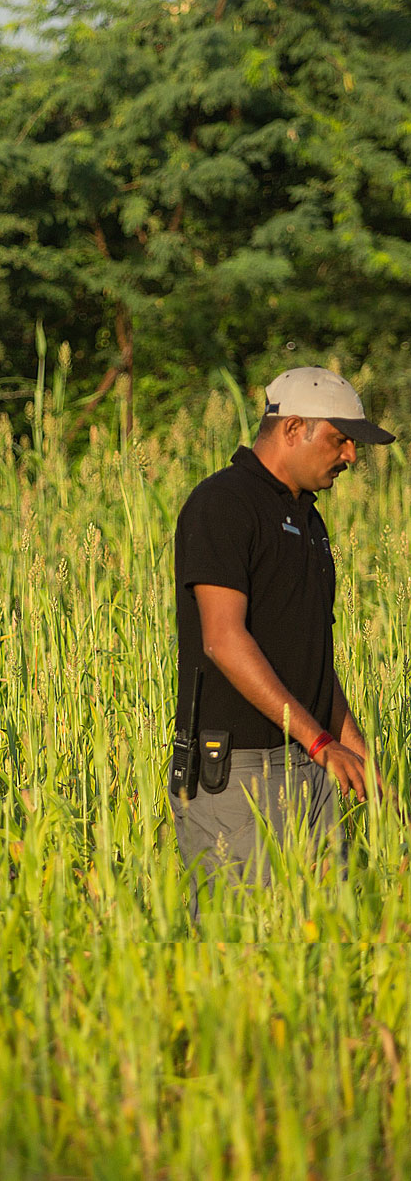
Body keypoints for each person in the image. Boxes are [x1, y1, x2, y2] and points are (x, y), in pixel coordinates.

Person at [169, 366, 395, 897]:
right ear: (293, 429)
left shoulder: (307, 521)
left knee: (317, 946)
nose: (351, 457)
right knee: (243, 946)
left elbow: (313, 658)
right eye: (340, 440)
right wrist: (321, 743)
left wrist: (356, 753)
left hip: (310, 763)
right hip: (238, 769)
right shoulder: (224, 503)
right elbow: (222, 639)